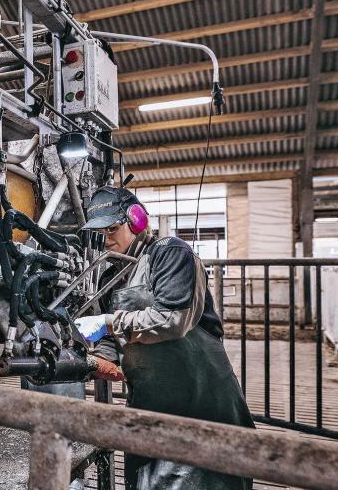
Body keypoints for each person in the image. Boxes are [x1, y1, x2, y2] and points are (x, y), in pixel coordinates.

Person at [73, 186, 254, 490]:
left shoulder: (170, 253)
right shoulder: (109, 278)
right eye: (100, 232)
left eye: (112, 228)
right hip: (150, 401)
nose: (106, 238)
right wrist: (94, 358)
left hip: (201, 397)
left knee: (211, 478)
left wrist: (108, 322)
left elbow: (173, 319)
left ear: (137, 220)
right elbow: (110, 343)